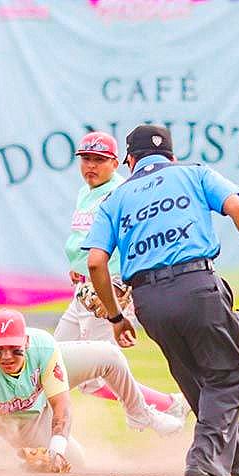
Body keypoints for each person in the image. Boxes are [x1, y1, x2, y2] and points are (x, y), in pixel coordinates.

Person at [83, 124, 239, 476]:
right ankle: (203, 464)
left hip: (149, 301)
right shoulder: (194, 174)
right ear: (171, 157)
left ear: (130, 161)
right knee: (226, 375)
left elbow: (96, 262)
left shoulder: (113, 200)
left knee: (197, 380)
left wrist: (115, 315)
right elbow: (238, 207)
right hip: (196, 287)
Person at [0, 309, 183, 470]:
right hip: (17, 419)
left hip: (41, 385)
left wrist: (55, 448)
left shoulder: (42, 346)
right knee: (75, 462)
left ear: (25, 341)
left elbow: (62, 405)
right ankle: (2, 450)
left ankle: (140, 413)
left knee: (109, 357)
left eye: (14, 349)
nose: (7, 357)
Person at [55, 131, 190, 421]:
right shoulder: (86, 191)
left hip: (107, 289)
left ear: (115, 163)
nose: (90, 166)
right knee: (53, 364)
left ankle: (168, 406)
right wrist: (77, 264)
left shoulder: (120, 192)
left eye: (99, 160)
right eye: (86, 159)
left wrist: (118, 286)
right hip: (82, 290)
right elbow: (85, 238)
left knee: (94, 377)